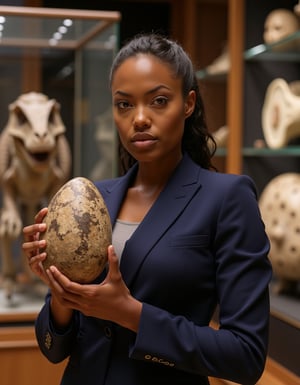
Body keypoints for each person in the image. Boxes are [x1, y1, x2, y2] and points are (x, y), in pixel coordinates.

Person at [22, 33, 272, 385]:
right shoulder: (95, 200)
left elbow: (246, 356)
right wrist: (61, 292)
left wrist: (131, 314)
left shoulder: (227, 198)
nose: (139, 118)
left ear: (187, 103)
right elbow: (53, 349)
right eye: (124, 104)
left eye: (158, 100)